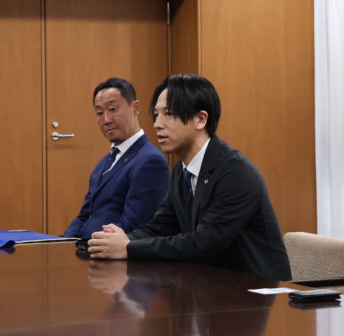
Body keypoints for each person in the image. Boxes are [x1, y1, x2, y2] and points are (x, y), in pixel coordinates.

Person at [87, 74, 292, 281]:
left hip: (254, 287)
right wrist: (115, 241)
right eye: (156, 115)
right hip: (210, 283)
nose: (157, 124)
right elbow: (162, 226)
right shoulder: (181, 169)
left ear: (200, 119)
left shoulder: (236, 172)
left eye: (168, 114)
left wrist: (128, 248)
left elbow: (203, 244)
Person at [63, 78, 169, 239]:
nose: (106, 120)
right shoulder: (103, 163)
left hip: (110, 250)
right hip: (86, 246)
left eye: (112, 109)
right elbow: (84, 216)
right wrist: (63, 243)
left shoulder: (150, 161)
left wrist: (90, 245)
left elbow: (134, 225)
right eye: (100, 113)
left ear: (135, 107)